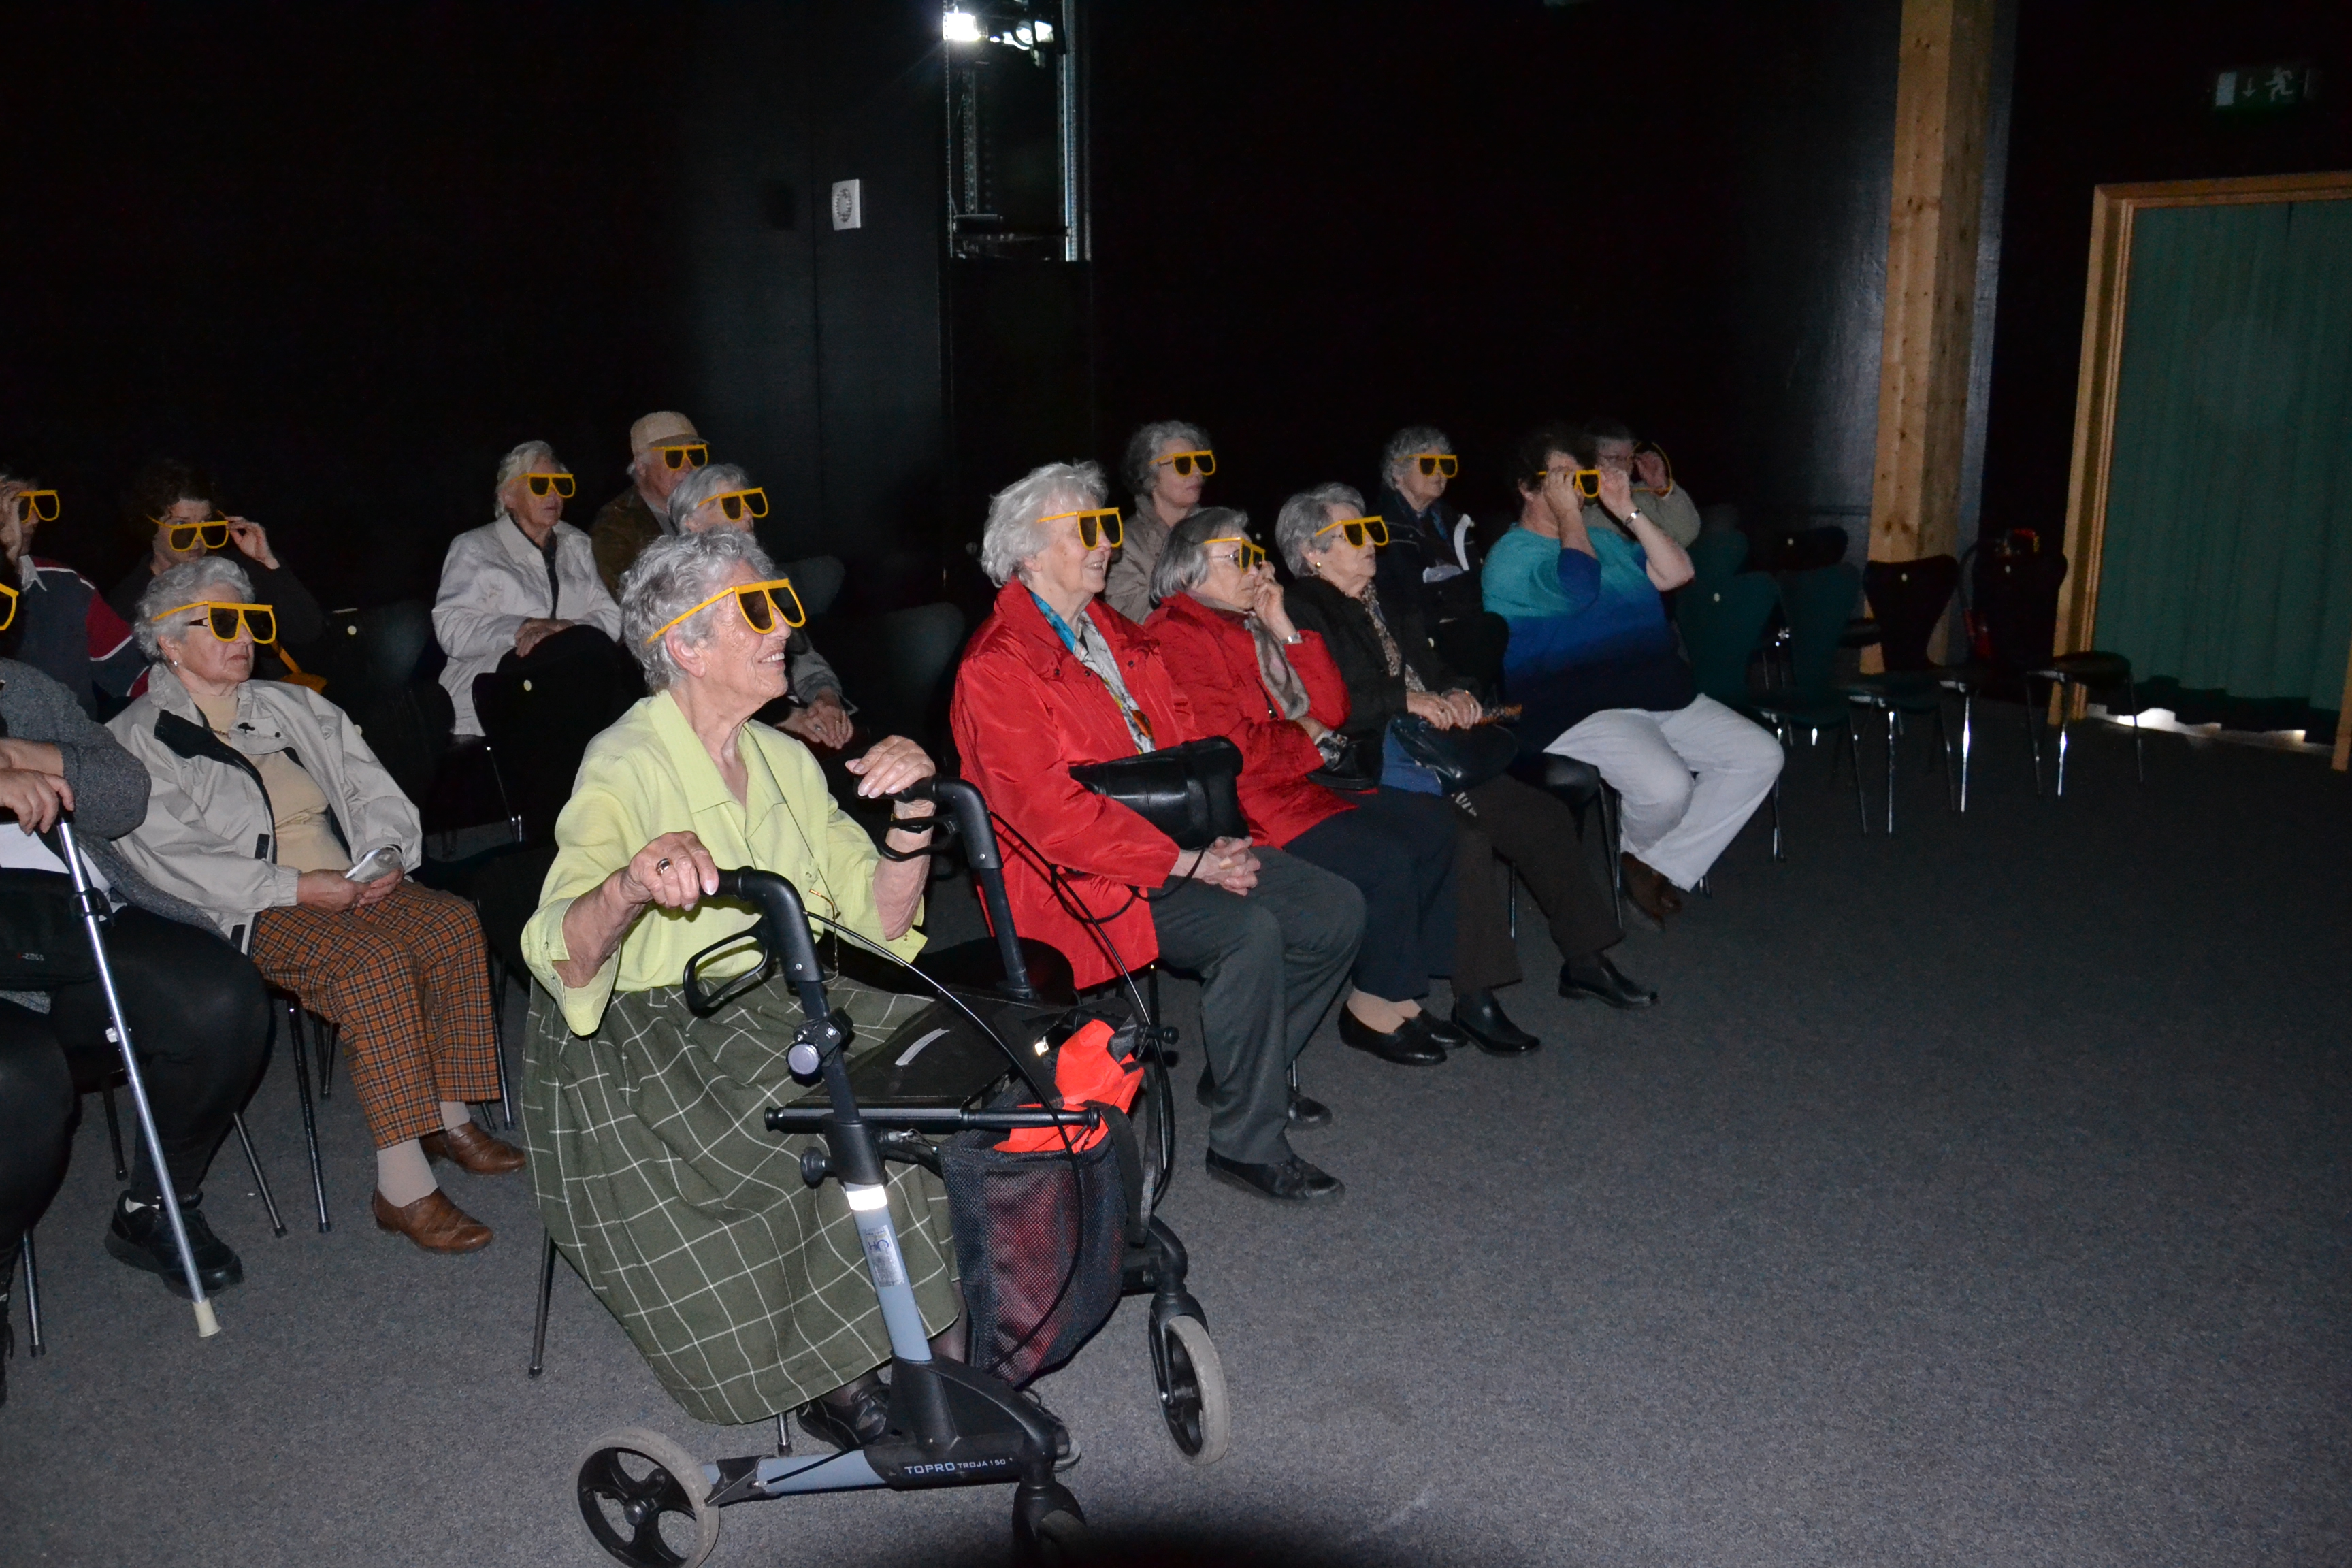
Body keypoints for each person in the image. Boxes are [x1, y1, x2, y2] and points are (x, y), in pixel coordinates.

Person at [519, 527, 966, 1443]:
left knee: (950, 1050)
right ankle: (851, 1364)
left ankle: (937, 1342)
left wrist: (915, 813)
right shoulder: (626, 762)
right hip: (656, 1035)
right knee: (851, 1110)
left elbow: (879, 925)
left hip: (777, 994)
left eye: (783, 605)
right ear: (684, 646)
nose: (784, 629)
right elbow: (560, 945)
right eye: (756, 611)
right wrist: (633, 880)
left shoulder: (784, 758)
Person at [953, 463, 1362, 1204]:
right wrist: (1186, 861)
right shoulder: (998, 667)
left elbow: (1184, 750)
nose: (1106, 543)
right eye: (1087, 530)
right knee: (1251, 932)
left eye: (1107, 526)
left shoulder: (1113, 632)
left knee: (1335, 912)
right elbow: (1049, 816)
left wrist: (1221, 839)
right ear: (1028, 552)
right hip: (1082, 878)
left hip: (1174, 844)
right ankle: (1247, 1143)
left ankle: (1244, 1069)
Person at [110, 557, 519, 1254]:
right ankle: (403, 1186)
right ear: (170, 643)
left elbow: (371, 790)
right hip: (254, 907)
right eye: (226, 625)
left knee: (452, 923)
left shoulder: (292, 706)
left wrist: (387, 855)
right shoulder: (138, 740)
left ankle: (447, 1117)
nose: (246, 638)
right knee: (374, 965)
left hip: (348, 879)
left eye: (251, 623)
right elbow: (179, 862)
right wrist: (294, 889)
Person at [1279, 483, 1656, 1017]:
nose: (1371, 542)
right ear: (1312, 552)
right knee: (1468, 836)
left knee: (1542, 816)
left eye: (1371, 530)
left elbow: (1434, 668)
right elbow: (1327, 703)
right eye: (1354, 534)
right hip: (1373, 759)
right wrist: (1407, 700)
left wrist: (1456, 690)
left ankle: (1587, 961)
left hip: (1433, 745)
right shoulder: (1300, 609)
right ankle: (1475, 995)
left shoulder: (1384, 595)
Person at [1146, 509, 1512, 1058]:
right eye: (1238, 557)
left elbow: (1334, 710)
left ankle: (1399, 994)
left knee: (1435, 827)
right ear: (1190, 570)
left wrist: (1284, 627)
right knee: (1385, 858)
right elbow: (1235, 753)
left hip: (1298, 784)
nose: (1256, 567)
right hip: (1250, 806)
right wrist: (1305, 736)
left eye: (1256, 554)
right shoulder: (1179, 635)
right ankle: (1372, 1006)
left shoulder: (1248, 623)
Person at [0, 646, 273, 1335]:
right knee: (20, 1083)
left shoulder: (23, 687)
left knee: (219, 1000)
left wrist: (23, 753)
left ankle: (155, 1207)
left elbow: (124, 794)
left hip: (66, 920)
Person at [1482, 424, 1782, 923]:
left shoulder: (1607, 540)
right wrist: (1568, 518)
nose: (1573, 490)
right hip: (1575, 707)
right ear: (1527, 488)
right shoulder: (1511, 557)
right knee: (1668, 786)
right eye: (1558, 479)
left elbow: (1677, 572)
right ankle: (1647, 865)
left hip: (1656, 693)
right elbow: (1578, 587)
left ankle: (1651, 862)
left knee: (1759, 756)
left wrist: (1627, 511)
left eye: (1577, 479)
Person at [433, 440, 625, 738]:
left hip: (566, 683)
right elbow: (452, 628)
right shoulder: (474, 548)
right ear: (508, 495)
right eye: (539, 484)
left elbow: (610, 620)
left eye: (560, 484)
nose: (553, 494)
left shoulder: (577, 545)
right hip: (488, 686)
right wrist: (523, 629)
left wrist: (563, 630)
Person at [666, 462, 853, 751]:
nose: (748, 514)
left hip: (789, 709)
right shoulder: (675, 593)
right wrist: (783, 717)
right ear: (692, 521)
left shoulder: (770, 577)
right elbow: (692, 691)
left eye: (749, 502)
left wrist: (826, 698)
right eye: (731, 505)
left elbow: (803, 655)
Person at [104, 459, 325, 683]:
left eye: (206, 524)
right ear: (149, 526)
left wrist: (267, 562)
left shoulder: (234, 573)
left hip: (257, 701)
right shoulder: (128, 601)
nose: (198, 539)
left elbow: (307, 630)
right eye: (183, 527)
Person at [1371, 426, 1510, 695]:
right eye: (1428, 464)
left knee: (1494, 625)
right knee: (1490, 629)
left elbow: (1478, 583)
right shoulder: (1381, 527)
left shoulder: (1457, 522)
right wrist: (1447, 598)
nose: (1439, 472)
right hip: (1419, 638)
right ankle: (1466, 705)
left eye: (1446, 464)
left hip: (1464, 626)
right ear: (1397, 474)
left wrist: (1447, 592)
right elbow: (1399, 592)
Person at [1, 472, 144, 715]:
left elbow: (136, 673)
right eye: (21, 506)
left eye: (39, 505)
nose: (35, 520)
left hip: (69, 747)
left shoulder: (67, 585)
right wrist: (4, 562)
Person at [1102, 419, 1211, 623]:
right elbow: (1132, 617)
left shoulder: (1220, 532)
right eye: (1183, 464)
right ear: (1149, 474)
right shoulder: (1125, 544)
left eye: (1201, 462)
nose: (1197, 472)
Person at [590, 410, 708, 593]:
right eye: (674, 457)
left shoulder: (711, 509)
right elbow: (630, 595)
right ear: (642, 466)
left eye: (694, 455)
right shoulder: (616, 523)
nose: (688, 467)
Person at [1587, 418, 1702, 549]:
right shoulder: (1576, 497)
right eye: (1614, 458)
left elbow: (1686, 535)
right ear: (1589, 459)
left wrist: (1661, 487)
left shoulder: (1644, 495)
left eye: (1629, 458)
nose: (1624, 466)